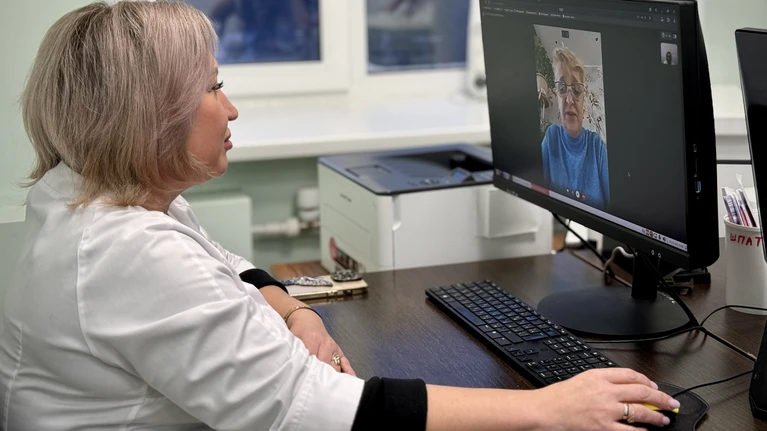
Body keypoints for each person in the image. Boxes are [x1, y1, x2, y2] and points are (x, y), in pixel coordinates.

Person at [0, 2, 679, 430]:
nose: (230, 108)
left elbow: (222, 265)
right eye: (212, 87)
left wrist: (296, 312)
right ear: (152, 117)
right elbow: (315, 410)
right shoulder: (128, 251)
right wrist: (547, 407)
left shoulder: (94, 195)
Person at [541, 46, 610, 210]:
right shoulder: (551, 138)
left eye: (577, 89)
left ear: (583, 101)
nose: (570, 100)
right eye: (562, 88)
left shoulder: (597, 147)